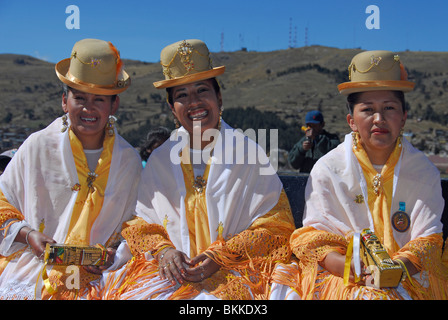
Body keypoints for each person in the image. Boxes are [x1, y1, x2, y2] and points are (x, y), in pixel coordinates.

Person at [85, 39, 295, 300]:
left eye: (202, 91)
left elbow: (277, 225)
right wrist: (164, 251)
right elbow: (140, 222)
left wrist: (222, 255)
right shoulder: (161, 159)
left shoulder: (249, 154)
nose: (194, 102)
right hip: (171, 275)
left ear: (218, 97)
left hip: (237, 271)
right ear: (172, 108)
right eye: (182, 95)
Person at [270, 50, 448, 300]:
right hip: (341, 276)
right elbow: (314, 238)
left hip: (409, 275)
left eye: (389, 108)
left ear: (404, 117)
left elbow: (428, 241)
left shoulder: (422, 171)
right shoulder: (328, 169)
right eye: (367, 110)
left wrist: (393, 271)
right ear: (351, 120)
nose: (379, 119)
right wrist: (348, 266)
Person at [0, 38, 142, 299]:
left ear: (114, 105)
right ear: (64, 101)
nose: (89, 108)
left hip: (103, 274)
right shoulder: (37, 146)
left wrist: (114, 254)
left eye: (100, 99)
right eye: (79, 98)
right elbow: (2, 200)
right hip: (34, 265)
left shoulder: (129, 160)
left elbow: (136, 223)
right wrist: (27, 234)